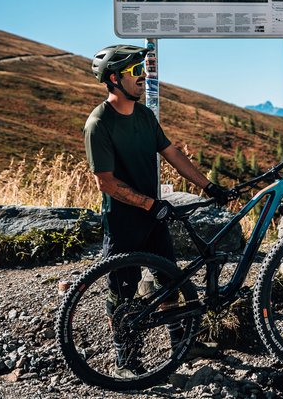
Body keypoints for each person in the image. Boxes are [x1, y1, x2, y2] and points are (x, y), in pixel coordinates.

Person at [84, 44, 229, 377]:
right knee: (122, 290)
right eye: (136, 72)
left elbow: (172, 153)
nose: (143, 76)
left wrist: (207, 185)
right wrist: (150, 204)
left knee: (169, 281)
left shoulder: (145, 116)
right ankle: (126, 361)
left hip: (154, 217)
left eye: (143, 69)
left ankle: (181, 345)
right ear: (114, 78)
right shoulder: (99, 124)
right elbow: (105, 182)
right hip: (123, 220)